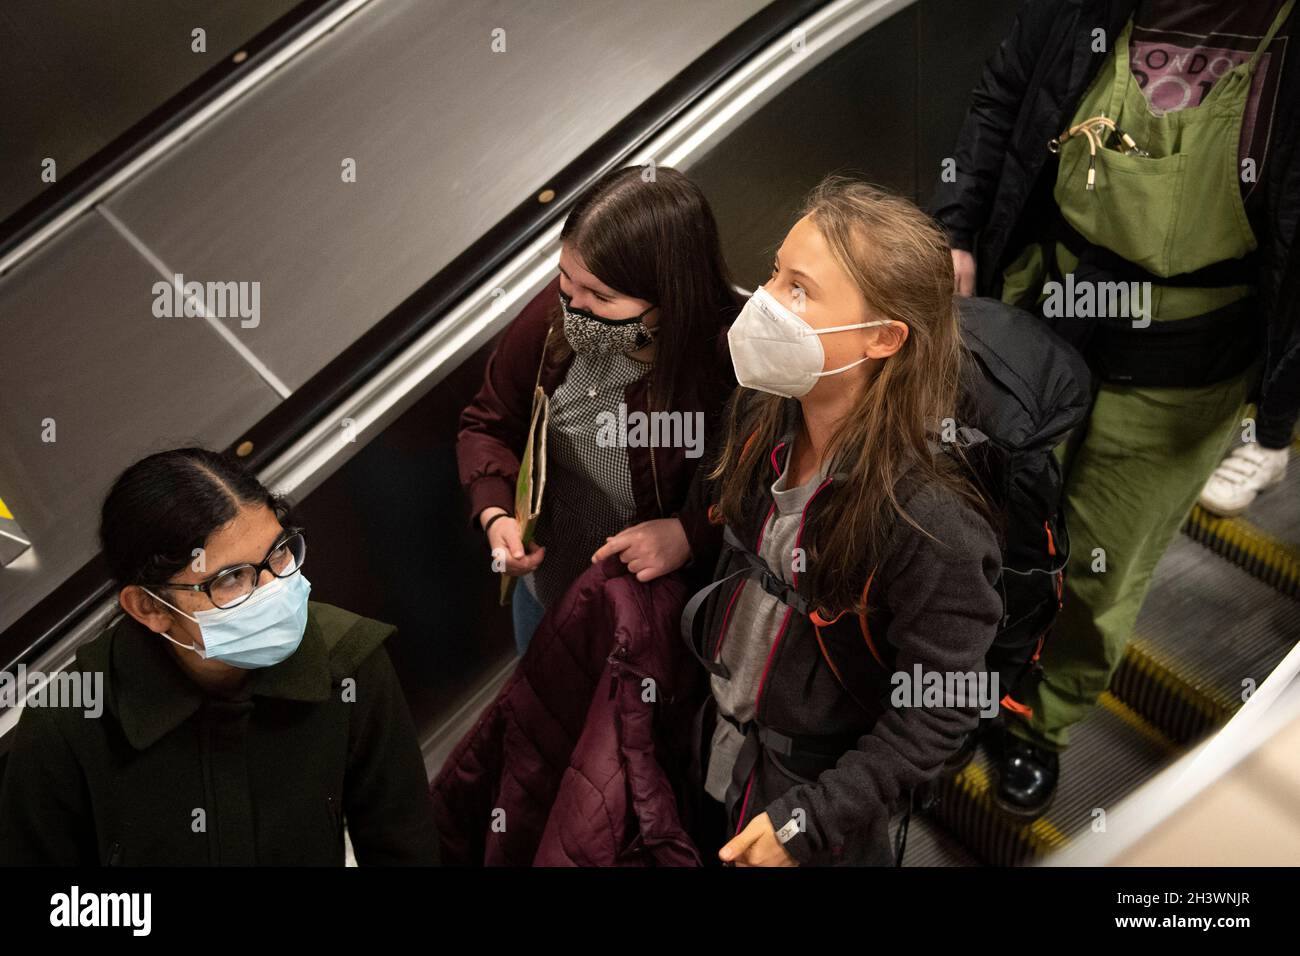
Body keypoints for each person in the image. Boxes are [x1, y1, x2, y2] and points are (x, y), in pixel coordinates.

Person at [931, 0, 1300, 816]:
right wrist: (956, 228)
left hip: (1184, 359)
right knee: (984, 520)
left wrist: (1276, 417)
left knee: (1104, 558)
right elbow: (1003, 97)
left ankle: (1039, 720)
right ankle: (957, 691)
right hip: (1041, 307)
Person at [687, 178, 1002, 866]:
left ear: (884, 338)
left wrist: (810, 821)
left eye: (799, 290)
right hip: (718, 745)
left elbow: (940, 710)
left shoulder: (930, 523)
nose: (766, 301)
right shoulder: (764, 410)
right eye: (774, 273)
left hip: (807, 804)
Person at [0, 448, 439, 865]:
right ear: (150, 608)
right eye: (230, 579)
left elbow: (404, 846)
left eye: (279, 553)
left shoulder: (349, 663)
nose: (273, 589)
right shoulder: (65, 727)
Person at [457, 165, 739, 654]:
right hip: (548, 592)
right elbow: (489, 421)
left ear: (668, 295)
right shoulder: (552, 323)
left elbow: (765, 487)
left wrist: (691, 532)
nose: (574, 307)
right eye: (567, 280)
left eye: (601, 297)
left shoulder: (728, 363)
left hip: (651, 618)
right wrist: (496, 513)